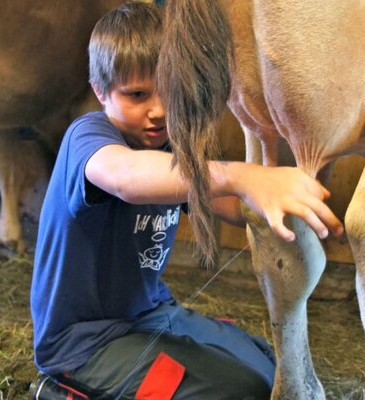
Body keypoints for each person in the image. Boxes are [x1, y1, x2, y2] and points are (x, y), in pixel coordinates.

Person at [30, 2, 343, 399]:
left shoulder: (168, 148)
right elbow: (126, 176)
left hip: (154, 313)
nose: (158, 111)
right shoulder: (88, 138)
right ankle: (60, 391)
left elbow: (228, 206)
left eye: (168, 91)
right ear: (100, 91)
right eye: (137, 94)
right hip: (85, 344)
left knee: (268, 365)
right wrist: (245, 176)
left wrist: (283, 201)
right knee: (238, 390)